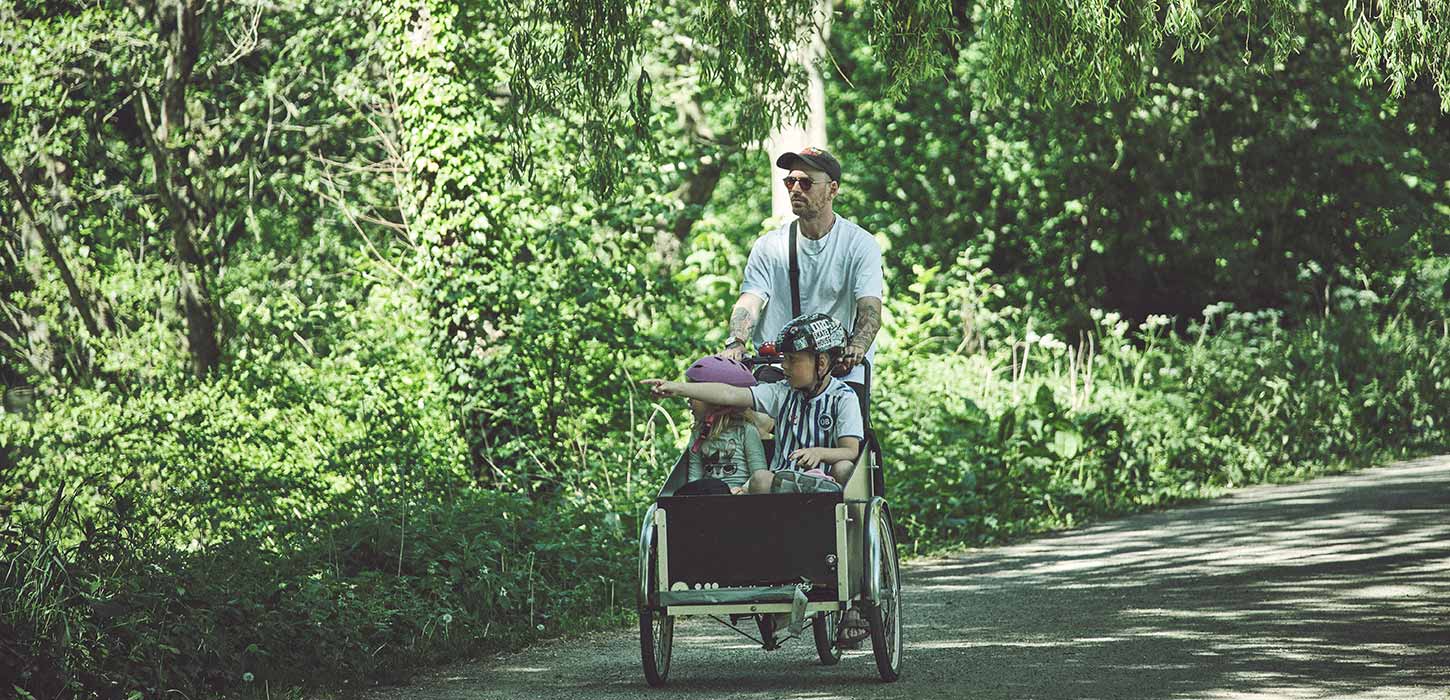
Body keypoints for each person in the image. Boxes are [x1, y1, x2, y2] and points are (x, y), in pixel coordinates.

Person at [718, 147, 884, 425]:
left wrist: (856, 347)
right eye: (789, 182)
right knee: (746, 421)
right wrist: (736, 342)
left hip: (836, 367)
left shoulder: (859, 244)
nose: (795, 189)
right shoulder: (770, 245)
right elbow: (750, 301)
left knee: (844, 439)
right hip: (782, 365)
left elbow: (870, 310)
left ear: (832, 190)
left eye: (805, 182)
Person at [644, 315, 862, 492]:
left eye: (792, 359)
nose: (783, 365)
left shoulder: (843, 397)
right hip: (781, 483)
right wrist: (676, 388)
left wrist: (819, 453)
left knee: (844, 468)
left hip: (825, 485)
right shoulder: (782, 392)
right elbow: (729, 394)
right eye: (783, 357)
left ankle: (845, 532)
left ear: (821, 363)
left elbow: (850, 451)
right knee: (761, 478)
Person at [678, 356, 768, 495]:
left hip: (740, 497)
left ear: (715, 400)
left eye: (694, 394)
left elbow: (759, 473)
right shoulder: (698, 434)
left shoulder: (745, 431)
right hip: (709, 498)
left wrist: (743, 489)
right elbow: (694, 479)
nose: (689, 399)